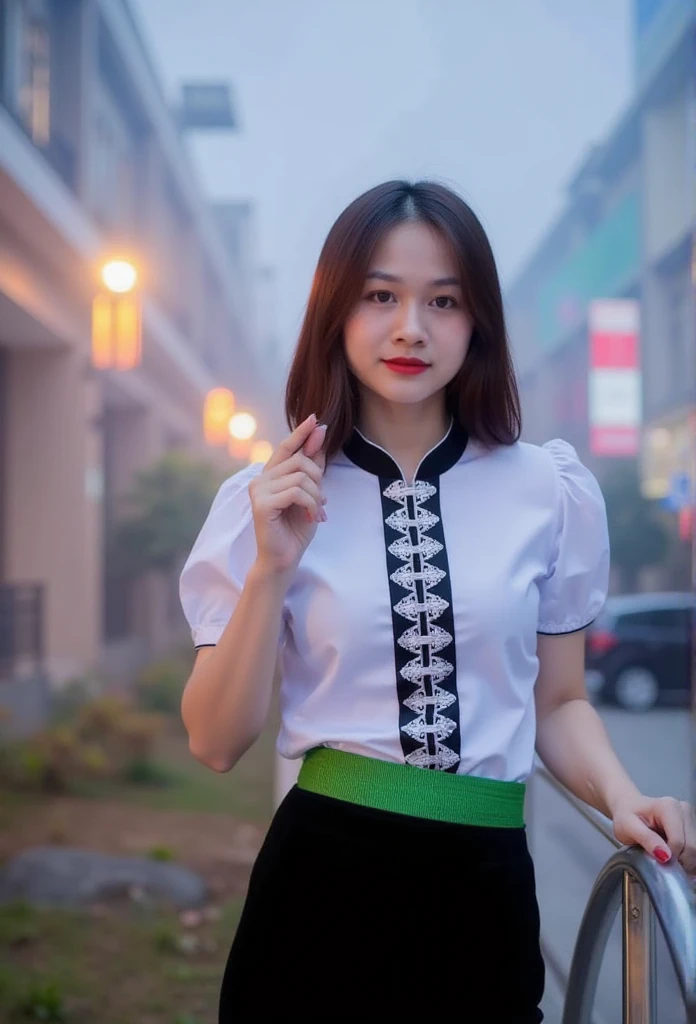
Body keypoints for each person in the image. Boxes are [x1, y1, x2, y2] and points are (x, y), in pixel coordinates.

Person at [179, 180, 696, 1022]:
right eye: (380, 295)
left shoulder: (547, 490)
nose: (410, 327)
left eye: (443, 300)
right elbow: (213, 740)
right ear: (336, 314)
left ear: (478, 321)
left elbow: (559, 702)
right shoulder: (266, 497)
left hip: (485, 889)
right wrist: (272, 564)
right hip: (319, 890)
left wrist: (623, 796)